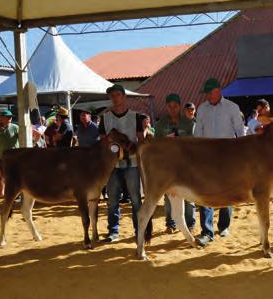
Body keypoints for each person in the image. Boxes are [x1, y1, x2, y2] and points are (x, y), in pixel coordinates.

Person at [194, 78, 245, 246]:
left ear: (218, 91)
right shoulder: (201, 109)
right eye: (206, 93)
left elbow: (240, 132)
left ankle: (224, 226)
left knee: (227, 191)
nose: (208, 96)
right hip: (207, 156)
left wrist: (241, 154)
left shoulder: (232, 108)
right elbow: (198, 133)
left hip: (228, 155)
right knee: (205, 192)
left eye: (210, 92)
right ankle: (207, 232)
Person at [99, 84, 147, 243]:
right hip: (112, 166)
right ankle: (113, 231)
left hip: (132, 163)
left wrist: (131, 149)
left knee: (135, 200)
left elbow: (141, 141)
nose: (115, 98)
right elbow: (102, 141)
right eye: (112, 95)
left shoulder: (136, 117)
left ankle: (138, 230)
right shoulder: (105, 118)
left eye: (118, 95)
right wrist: (108, 141)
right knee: (112, 200)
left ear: (124, 97)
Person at [155, 93, 196, 234]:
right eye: (170, 106)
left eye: (175, 106)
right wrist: (165, 140)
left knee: (189, 195)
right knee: (169, 196)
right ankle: (170, 224)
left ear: (179, 106)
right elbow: (156, 145)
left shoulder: (190, 123)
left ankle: (190, 224)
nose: (172, 109)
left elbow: (194, 143)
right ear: (166, 107)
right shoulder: (160, 124)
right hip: (168, 165)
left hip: (187, 163)